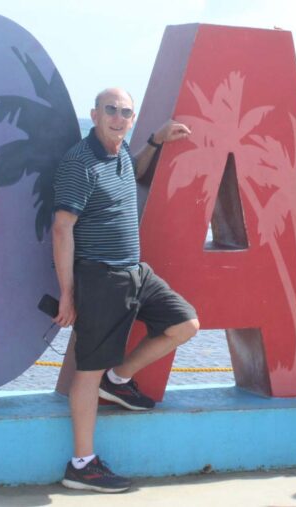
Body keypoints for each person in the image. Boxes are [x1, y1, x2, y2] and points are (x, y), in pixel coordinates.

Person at [53, 88, 200, 493]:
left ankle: (118, 380)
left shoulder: (118, 154)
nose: (118, 118)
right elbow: (62, 227)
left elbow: (131, 172)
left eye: (125, 113)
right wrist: (67, 293)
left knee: (184, 323)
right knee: (87, 370)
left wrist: (154, 141)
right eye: (111, 111)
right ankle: (81, 465)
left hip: (136, 271)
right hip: (100, 279)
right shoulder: (79, 164)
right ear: (94, 114)